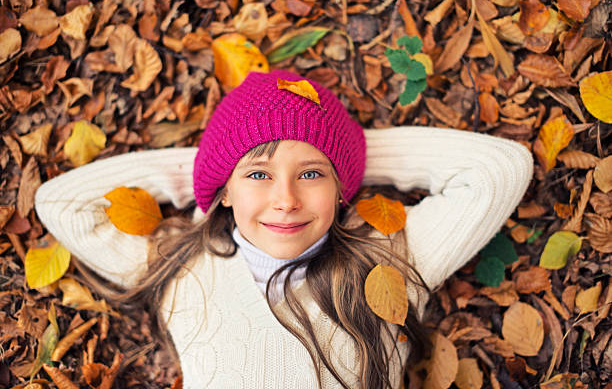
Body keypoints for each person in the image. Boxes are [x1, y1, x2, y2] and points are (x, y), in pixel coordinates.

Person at [35, 69, 533, 388]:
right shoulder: (181, 269)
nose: (286, 200)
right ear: (224, 192)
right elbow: (60, 202)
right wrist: (210, 166)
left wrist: (349, 152)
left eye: (311, 175)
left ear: (341, 190)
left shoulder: (391, 261)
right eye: (258, 175)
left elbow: (500, 170)